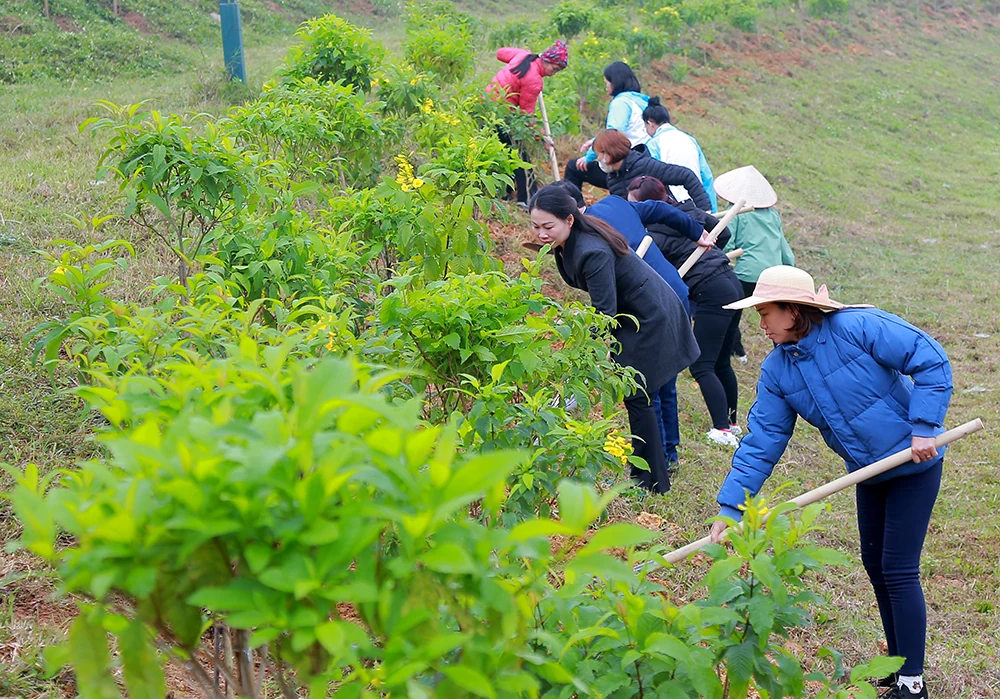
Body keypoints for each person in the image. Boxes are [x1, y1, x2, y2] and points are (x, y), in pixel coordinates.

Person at [709, 265, 952, 699]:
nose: (760, 325)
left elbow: (930, 358)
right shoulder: (779, 369)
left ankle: (913, 684)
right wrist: (732, 506)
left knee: (898, 570)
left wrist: (924, 426)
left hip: (914, 464)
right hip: (868, 472)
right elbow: (763, 441)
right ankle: (898, 668)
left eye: (766, 313)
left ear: (794, 309)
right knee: (876, 567)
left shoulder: (857, 326)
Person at [528, 184, 700, 494]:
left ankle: (652, 482)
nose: (540, 233)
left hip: (649, 318)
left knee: (637, 395)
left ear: (569, 220)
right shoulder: (570, 243)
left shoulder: (591, 250)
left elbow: (603, 313)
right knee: (640, 396)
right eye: (535, 225)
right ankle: (649, 474)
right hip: (632, 315)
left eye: (547, 226)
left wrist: (583, 350)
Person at [627, 176, 745, 447]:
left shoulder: (652, 233)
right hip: (730, 281)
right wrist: (709, 252)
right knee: (721, 360)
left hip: (710, 289)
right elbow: (722, 233)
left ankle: (722, 429)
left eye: (635, 205)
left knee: (702, 364)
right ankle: (733, 423)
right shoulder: (690, 212)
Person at [713, 165, 795, 360]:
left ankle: (731, 355)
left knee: (731, 315)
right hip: (773, 275)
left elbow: (727, 245)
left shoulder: (734, 212)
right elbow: (785, 250)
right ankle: (786, 356)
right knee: (778, 318)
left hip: (746, 274)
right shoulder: (772, 214)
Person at [488, 41, 569, 205]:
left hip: (487, 105)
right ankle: (526, 198)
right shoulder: (533, 80)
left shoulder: (523, 55)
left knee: (504, 151)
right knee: (519, 154)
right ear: (546, 60)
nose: (553, 73)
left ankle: (506, 192)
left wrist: (522, 53)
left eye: (558, 71)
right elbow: (527, 116)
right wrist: (543, 137)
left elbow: (501, 53)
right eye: (554, 68)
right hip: (502, 113)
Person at [563, 61, 650, 192]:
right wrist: (594, 141)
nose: (606, 87)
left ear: (615, 82)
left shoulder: (620, 103)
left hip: (627, 166)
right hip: (645, 161)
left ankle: (571, 210)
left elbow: (612, 137)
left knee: (573, 168)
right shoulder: (643, 101)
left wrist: (589, 157)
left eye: (607, 83)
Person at [593, 129, 712, 211]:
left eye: (600, 153)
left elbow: (686, 176)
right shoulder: (612, 180)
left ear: (612, 152)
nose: (598, 159)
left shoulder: (645, 165)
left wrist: (705, 210)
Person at [642, 96, 718, 212]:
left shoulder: (652, 145)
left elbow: (652, 182)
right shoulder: (690, 139)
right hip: (698, 202)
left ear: (650, 123)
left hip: (675, 206)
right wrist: (712, 209)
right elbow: (706, 176)